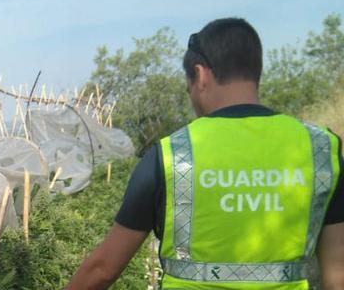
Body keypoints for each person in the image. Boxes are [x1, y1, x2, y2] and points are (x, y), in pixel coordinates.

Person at [66, 18, 344, 289]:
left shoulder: (169, 156)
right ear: (254, 69)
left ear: (200, 75)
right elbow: (337, 275)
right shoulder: (321, 150)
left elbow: (103, 270)